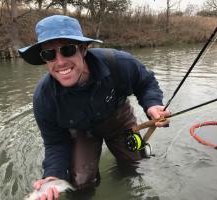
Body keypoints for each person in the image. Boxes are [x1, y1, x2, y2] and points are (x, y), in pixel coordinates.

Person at [19, 15, 170, 200]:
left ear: (83, 50)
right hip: (82, 131)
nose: (60, 62)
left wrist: (152, 105)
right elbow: (55, 143)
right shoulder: (44, 98)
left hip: (118, 120)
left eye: (67, 50)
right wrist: (53, 175)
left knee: (134, 165)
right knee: (80, 184)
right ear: (44, 59)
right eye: (49, 54)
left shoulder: (119, 63)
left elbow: (145, 82)